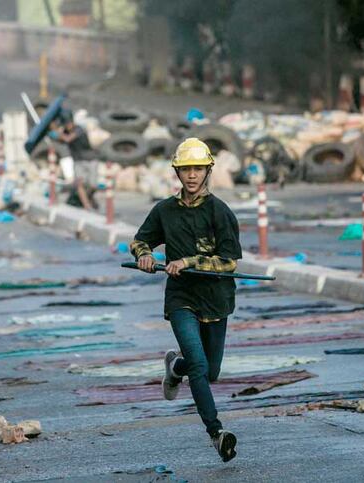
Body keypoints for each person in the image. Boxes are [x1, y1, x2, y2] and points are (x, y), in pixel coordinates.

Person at [129, 138, 241, 462]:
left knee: (209, 373)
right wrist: (146, 256)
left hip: (217, 300)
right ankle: (217, 433)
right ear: (177, 171)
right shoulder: (164, 210)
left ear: (208, 170)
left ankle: (174, 367)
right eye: (186, 169)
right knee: (200, 365)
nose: (192, 175)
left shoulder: (220, 211)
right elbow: (138, 241)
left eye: (198, 168)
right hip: (181, 299)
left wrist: (190, 261)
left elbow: (229, 261)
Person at [54, 110, 97, 210]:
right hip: (78, 160)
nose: (67, 126)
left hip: (90, 159)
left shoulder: (79, 129)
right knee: (80, 183)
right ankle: (86, 205)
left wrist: (58, 133)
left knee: (93, 185)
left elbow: (68, 139)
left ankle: (87, 199)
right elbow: (60, 141)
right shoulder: (65, 132)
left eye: (68, 124)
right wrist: (56, 133)